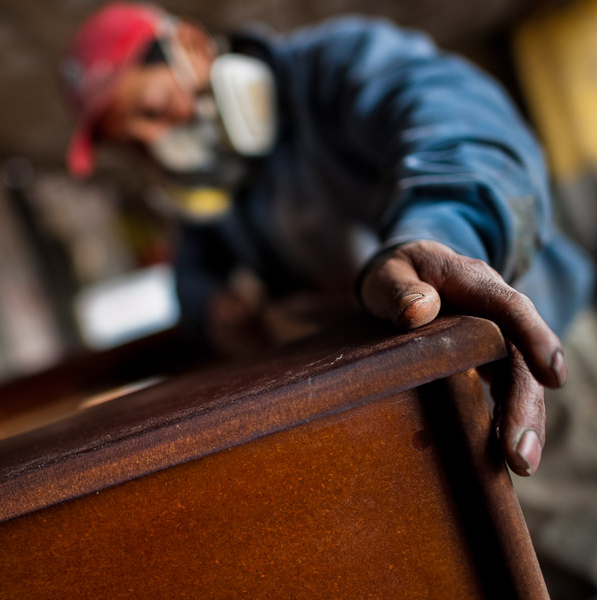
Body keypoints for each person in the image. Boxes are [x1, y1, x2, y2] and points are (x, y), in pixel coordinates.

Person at [59, 2, 594, 478]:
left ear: (193, 49)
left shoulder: (341, 65)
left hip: (542, 363)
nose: (158, 146)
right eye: (135, 144)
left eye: (151, 111)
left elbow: (461, 135)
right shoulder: (217, 191)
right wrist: (214, 310)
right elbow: (192, 274)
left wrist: (438, 241)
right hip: (422, 422)